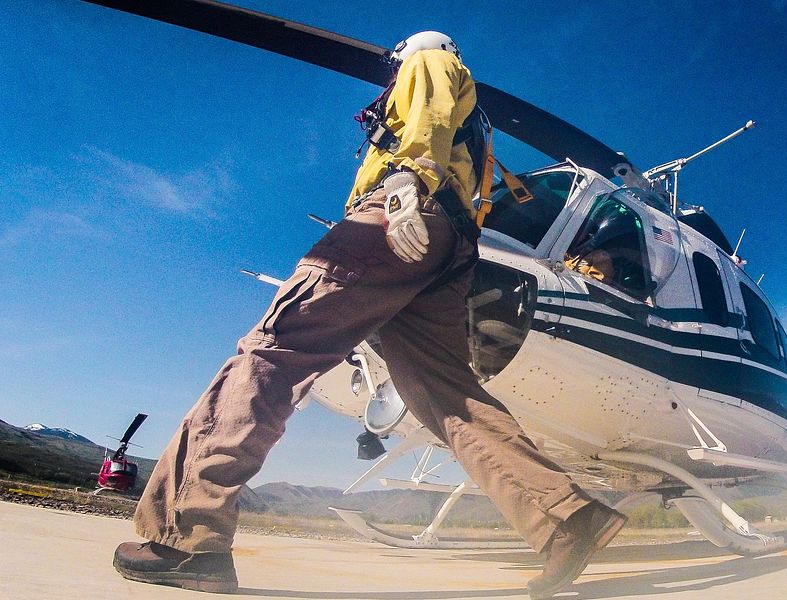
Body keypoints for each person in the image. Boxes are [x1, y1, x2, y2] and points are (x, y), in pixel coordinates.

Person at [112, 31, 625, 599]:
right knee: (449, 396)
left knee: (274, 354)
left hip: (399, 218)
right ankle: (564, 517)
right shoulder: (477, 123)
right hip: (451, 247)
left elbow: (425, 112)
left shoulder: (431, 62)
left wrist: (406, 177)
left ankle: (188, 535)